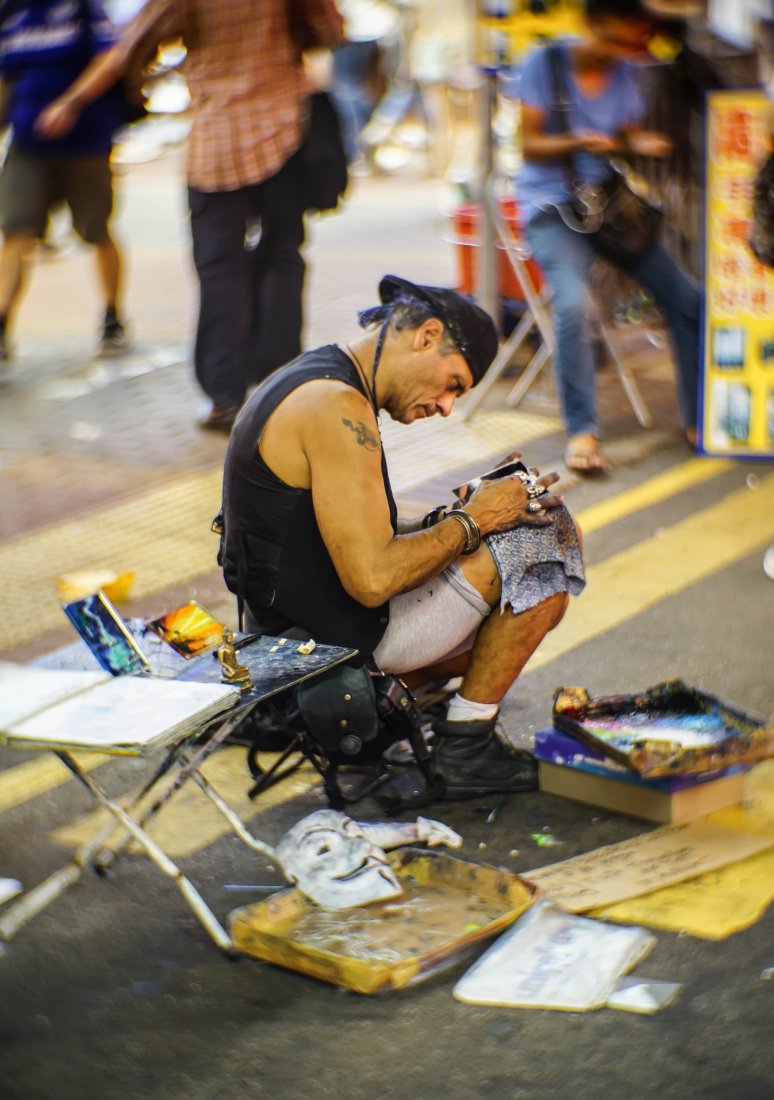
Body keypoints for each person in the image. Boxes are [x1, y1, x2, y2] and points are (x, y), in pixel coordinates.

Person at [218, 275, 586, 800]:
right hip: (327, 642)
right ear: (427, 336)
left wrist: (456, 516)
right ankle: (466, 747)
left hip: (289, 620)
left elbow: (342, 534)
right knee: (547, 544)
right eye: (452, 383)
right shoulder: (336, 408)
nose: (446, 405)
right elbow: (372, 580)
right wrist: (473, 522)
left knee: (519, 541)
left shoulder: (317, 377)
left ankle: (421, 703)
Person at [36, 0, 345, 432]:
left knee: (220, 269)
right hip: (284, 131)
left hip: (218, 140)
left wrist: (76, 101)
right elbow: (331, 30)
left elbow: (132, 46)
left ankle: (225, 397)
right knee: (282, 258)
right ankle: (280, 389)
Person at [516, 0, 701, 473]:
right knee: (574, 304)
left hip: (610, 212)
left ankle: (699, 419)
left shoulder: (626, 73)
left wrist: (635, 144)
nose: (625, 51)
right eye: (617, 40)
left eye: (634, 44)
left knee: (688, 298)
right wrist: (578, 141)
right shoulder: (544, 63)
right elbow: (528, 145)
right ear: (591, 25)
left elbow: (624, 137)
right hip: (552, 208)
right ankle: (582, 430)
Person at [0, 0, 130, 363]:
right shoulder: (12, 13)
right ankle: (2, 322)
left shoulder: (81, 7)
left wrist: (71, 103)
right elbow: (6, 78)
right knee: (16, 230)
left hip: (85, 143)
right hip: (28, 144)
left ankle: (112, 314)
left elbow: (110, 57)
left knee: (95, 230)